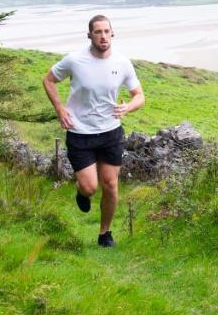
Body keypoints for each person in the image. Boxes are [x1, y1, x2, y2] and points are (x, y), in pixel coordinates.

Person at [42, 14, 145, 247]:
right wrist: (60, 109)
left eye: (107, 32)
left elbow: (139, 96)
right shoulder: (74, 60)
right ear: (89, 35)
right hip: (80, 132)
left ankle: (104, 234)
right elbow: (48, 80)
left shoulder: (122, 62)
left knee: (110, 185)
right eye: (98, 32)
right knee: (90, 186)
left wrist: (127, 107)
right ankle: (82, 192)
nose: (103, 36)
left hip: (110, 132)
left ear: (113, 33)